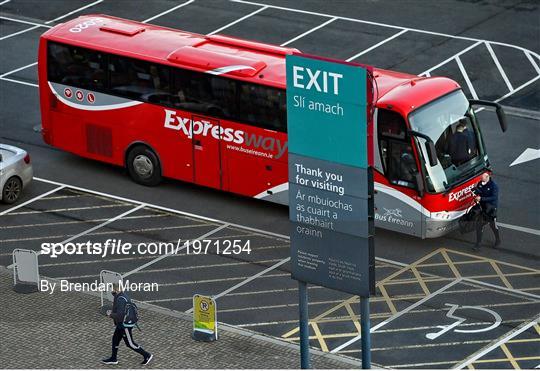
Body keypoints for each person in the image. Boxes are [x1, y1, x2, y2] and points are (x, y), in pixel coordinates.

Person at [102, 283, 153, 366]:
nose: (111, 291)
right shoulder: (120, 296)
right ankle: (113, 358)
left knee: (130, 343)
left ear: (117, 289)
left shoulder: (120, 299)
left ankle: (147, 355)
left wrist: (110, 315)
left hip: (124, 325)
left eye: (113, 289)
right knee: (115, 339)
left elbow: (120, 315)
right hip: (120, 324)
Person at [473, 172, 501, 250]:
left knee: (492, 225)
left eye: (482, 177)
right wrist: (475, 191)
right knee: (479, 225)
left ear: (487, 177)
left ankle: (498, 239)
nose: (481, 179)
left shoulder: (494, 186)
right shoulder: (480, 183)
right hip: (482, 208)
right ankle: (478, 244)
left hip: (491, 208)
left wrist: (481, 199)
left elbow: (494, 198)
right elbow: (479, 192)